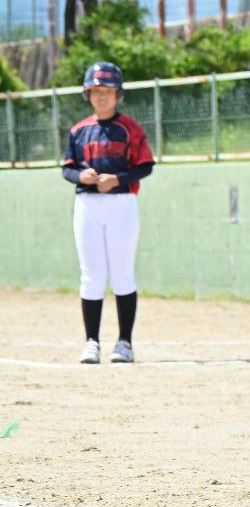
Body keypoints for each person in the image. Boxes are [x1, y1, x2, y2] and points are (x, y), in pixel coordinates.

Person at [61, 60, 154, 364]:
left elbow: (145, 165)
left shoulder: (130, 129)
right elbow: (68, 169)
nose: (102, 96)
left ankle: (125, 343)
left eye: (108, 90)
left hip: (122, 203)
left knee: (123, 271)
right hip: (87, 205)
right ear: (87, 94)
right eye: (96, 90)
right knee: (91, 274)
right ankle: (91, 342)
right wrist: (81, 176)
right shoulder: (78, 131)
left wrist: (119, 179)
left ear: (118, 94)